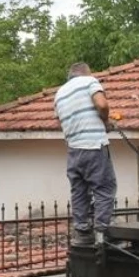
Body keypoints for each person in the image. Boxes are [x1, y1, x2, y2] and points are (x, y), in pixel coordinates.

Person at [54, 62, 118, 247]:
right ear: (85, 72)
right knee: (104, 188)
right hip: (93, 146)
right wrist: (105, 121)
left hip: (73, 151)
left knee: (79, 192)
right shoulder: (89, 81)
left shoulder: (59, 94)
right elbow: (101, 104)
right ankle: (103, 235)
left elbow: (60, 124)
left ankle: (82, 234)